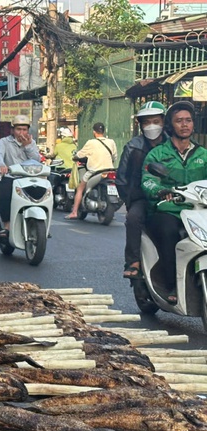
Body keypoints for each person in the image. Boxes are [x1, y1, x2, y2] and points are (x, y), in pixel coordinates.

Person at [141, 101, 207, 304]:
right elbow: (148, 180)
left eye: (188, 120)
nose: (184, 125)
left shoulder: (203, 155)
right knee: (169, 232)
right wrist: (160, 190)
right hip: (169, 210)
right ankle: (171, 284)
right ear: (171, 126)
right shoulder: (157, 154)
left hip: (198, 210)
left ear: (193, 125)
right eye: (179, 121)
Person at [116, 101, 167, 279]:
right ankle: (133, 262)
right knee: (133, 219)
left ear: (163, 122)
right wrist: (130, 201)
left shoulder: (171, 144)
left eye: (156, 121)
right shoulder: (133, 146)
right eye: (147, 122)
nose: (152, 126)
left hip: (170, 197)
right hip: (141, 197)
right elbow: (121, 178)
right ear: (140, 124)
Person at [0, 115, 41, 236]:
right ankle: (7, 226)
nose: (22, 132)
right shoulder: (4, 142)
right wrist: (2, 165)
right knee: (4, 193)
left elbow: (37, 160)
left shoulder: (32, 143)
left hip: (29, 178)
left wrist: (27, 146)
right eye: (19, 129)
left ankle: (39, 222)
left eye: (25, 130)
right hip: (11, 177)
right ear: (12, 130)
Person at [65, 122, 117, 220]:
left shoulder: (91, 142)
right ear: (104, 131)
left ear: (94, 132)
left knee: (80, 188)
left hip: (94, 171)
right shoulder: (111, 142)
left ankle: (74, 212)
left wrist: (75, 157)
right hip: (109, 170)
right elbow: (114, 156)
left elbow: (80, 154)